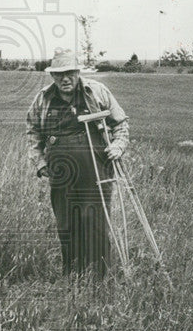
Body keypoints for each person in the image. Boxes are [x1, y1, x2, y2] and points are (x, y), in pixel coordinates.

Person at [26, 48, 129, 277]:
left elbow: (120, 124)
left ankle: (100, 278)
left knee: (96, 224)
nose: (65, 79)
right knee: (67, 225)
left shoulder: (97, 92)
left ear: (78, 72)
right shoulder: (43, 98)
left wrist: (117, 146)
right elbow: (32, 131)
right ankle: (73, 276)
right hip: (61, 173)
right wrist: (40, 163)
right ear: (52, 75)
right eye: (60, 74)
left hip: (96, 170)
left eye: (70, 73)